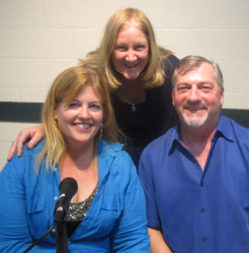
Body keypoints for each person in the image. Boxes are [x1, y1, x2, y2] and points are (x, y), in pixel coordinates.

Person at [0, 66, 155, 253]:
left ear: (104, 115)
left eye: (94, 106)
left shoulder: (120, 166)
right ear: (55, 112)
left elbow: (134, 245)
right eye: (73, 104)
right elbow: (7, 248)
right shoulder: (23, 162)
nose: (85, 114)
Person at [138, 55, 249, 253]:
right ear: (173, 98)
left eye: (204, 87)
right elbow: (149, 230)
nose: (194, 96)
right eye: (184, 88)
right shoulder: (152, 157)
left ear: (221, 96)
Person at [7, 7, 179, 165]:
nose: (131, 57)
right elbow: (69, 109)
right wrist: (48, 128)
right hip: (111, 161)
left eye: (139, 47)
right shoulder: (93, 72)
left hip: (160, 160)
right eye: (121, 48)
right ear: (109, 48)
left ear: (151, 48)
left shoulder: (170, 70)